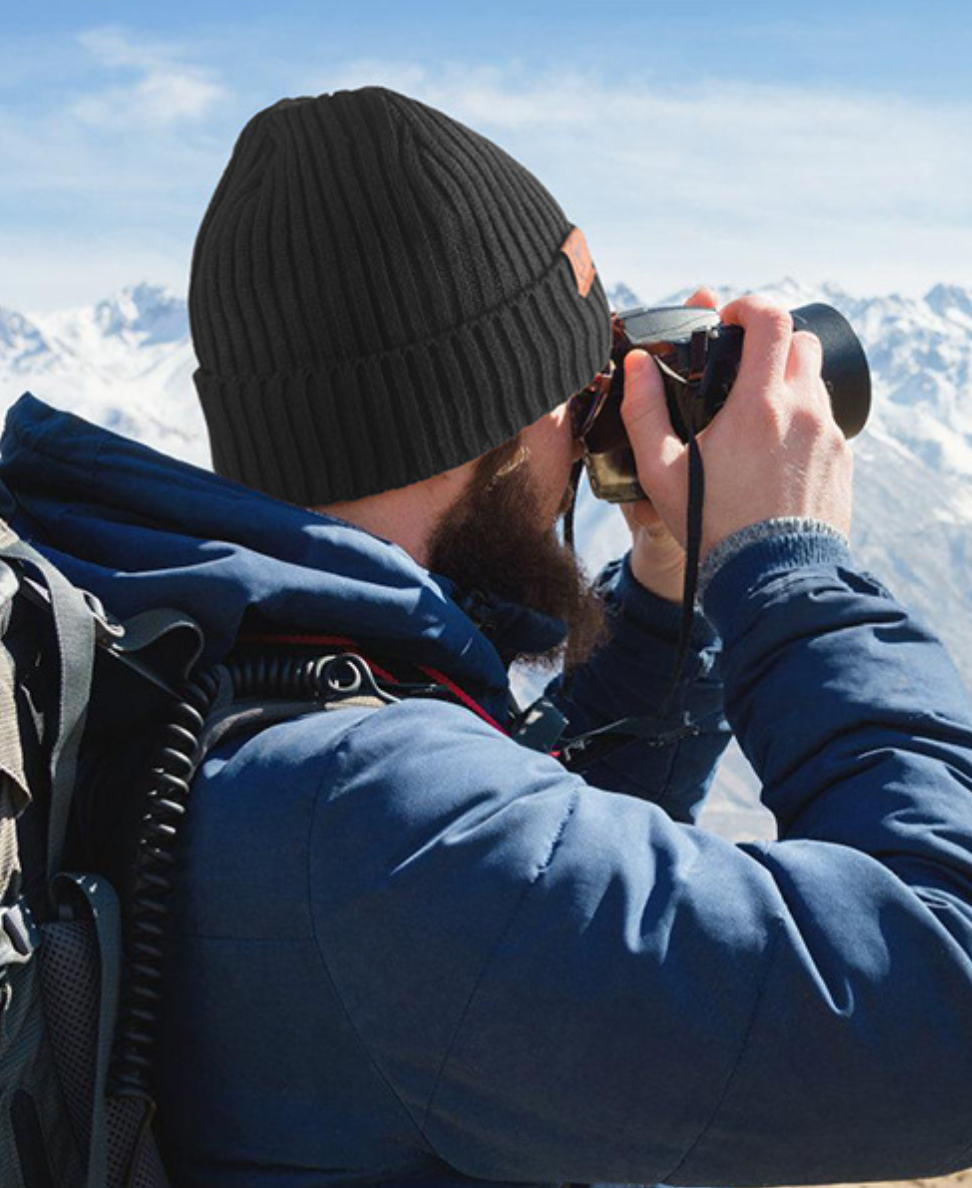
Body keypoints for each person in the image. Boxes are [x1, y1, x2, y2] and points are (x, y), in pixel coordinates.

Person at [3, 85, 972, 1188]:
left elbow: (549, 891)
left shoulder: (186, 660)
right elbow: (941, 994)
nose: (592, 429)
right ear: (489, 415)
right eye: (582, 391)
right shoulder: (374, 821)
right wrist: (789, 565)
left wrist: (664, 595)